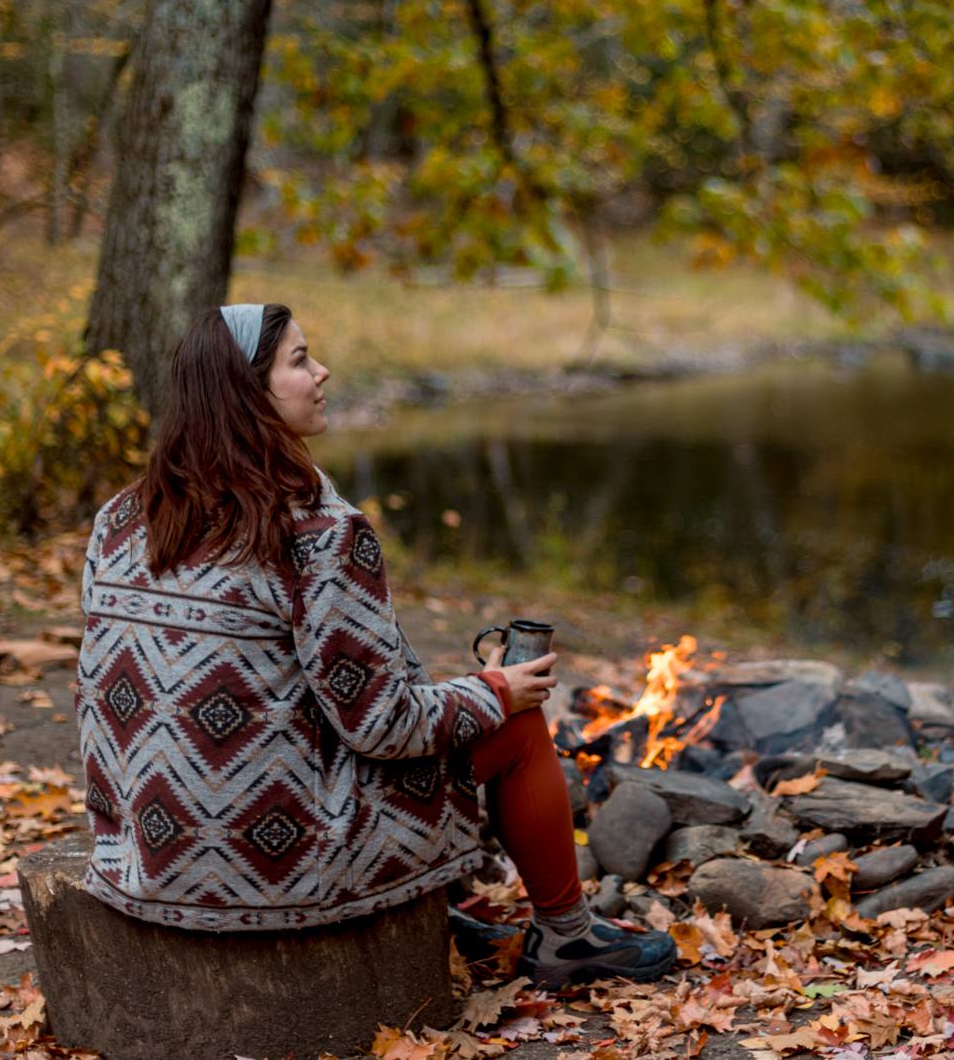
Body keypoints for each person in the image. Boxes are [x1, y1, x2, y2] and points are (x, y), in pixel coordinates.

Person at [75, 302, 675, 988]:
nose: (322, 371)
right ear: (248, 390)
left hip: (146, 853)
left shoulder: (122, 516)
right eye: (300, 360)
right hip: (275, 865)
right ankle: (569, 938)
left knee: (350, 721)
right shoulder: (316, 529)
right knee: (517, 724)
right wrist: (494, 691)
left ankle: (433, 909)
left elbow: (112, 696)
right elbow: (382, 725)